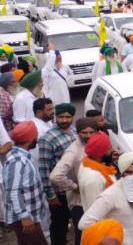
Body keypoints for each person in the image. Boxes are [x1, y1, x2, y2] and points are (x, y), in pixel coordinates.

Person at [78, 152, 133, 244]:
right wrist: (109, 237)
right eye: (128, 172)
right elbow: (84, 223)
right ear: (122, 172)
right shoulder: (111, 194)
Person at [49, 118, 99, 244]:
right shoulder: (73, 151)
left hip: (95, 199)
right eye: (84, 132)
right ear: (78, 133)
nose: (88, 136)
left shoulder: (94, 144)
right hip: (80, 203)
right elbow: (55, 176)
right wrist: (75, 187)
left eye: (91, 132)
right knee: (83, 236)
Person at [38, 103, 78, 245]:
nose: (64, 120)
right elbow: (43, 170)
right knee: (59, 227)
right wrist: (51, 196)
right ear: (55, 117)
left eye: (68, 117)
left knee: (78, 222)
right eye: (61, 117)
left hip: (76, 189)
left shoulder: (74, 132)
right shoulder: (47, 138)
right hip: (60, 194)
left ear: (72, 117)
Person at [3, 121, 48, 245]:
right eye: (36, 135)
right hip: (24, 219)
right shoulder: (17, 161)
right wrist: (24, 217)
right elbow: (12, 192)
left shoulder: (22, 156)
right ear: (31, 138)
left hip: (28, 217)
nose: (37, 137)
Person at [77, 132, 116, 210]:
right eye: (109, 148)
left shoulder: (88, 162)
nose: (112, 150)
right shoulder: (93, 179)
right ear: (100, 154)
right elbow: (95, 210)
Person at [31, 98, 54, 166]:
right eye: (49, 110)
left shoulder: (48, 122)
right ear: (38, 112)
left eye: (52, 109)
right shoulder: (35, 127)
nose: (53, 112)